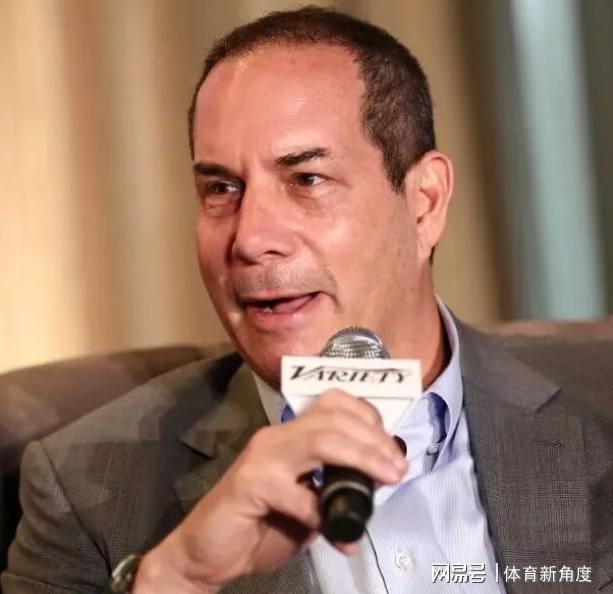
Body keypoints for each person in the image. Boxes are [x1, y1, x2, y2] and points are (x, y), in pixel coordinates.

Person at [3, 6, 613, 594]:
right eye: (222, 188)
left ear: (424, 202)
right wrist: (178, 578)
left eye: (306, 179)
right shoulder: (85, 490)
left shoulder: (601, 404)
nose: (250, 239)